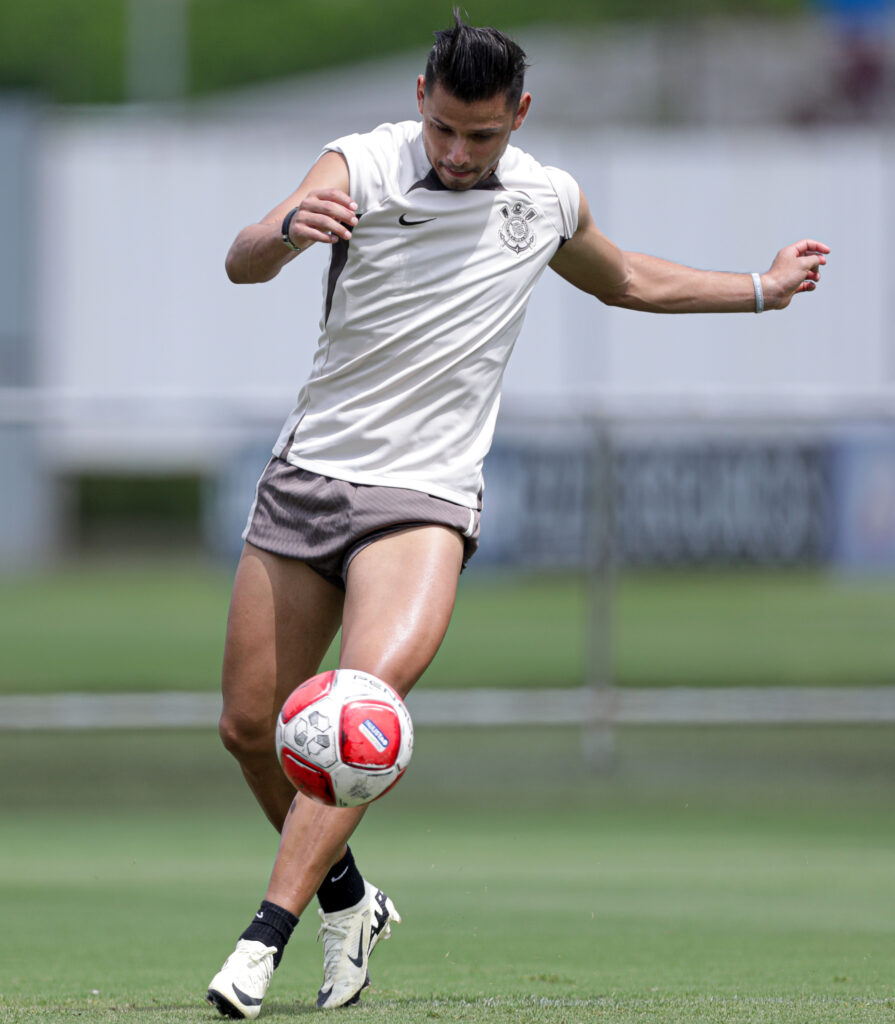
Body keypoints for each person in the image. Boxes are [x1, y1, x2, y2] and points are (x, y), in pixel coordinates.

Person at [206, 11, 829, 1019]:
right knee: (247, 726)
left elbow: (627, 278)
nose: (457, 153)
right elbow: (240, 258)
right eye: (445, 128)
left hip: (425, 498)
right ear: (421, 99)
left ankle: (262, 937)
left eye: (481, 135)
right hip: (308, 477)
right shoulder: (359, 165)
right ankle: (351, 899)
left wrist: (761, 287)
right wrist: (282, 234)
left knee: (360, 707)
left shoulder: (544, 199)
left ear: (519, 117)